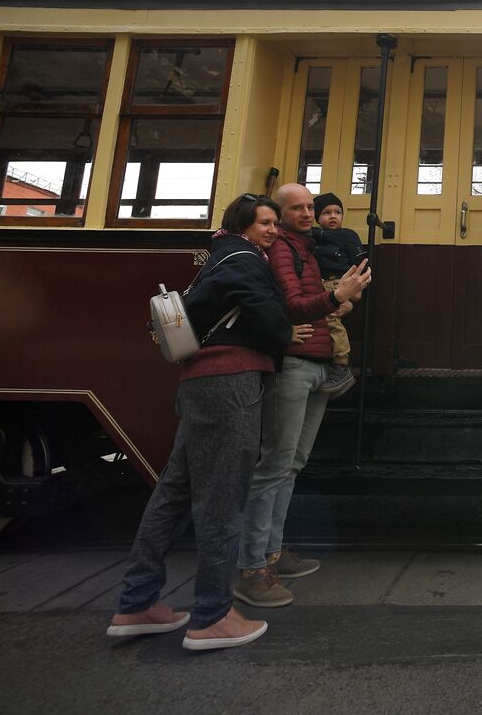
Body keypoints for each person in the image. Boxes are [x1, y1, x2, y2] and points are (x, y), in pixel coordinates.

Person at [108, 193, 310, 651]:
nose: (274, 230)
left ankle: (135, 603)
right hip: (231, 384)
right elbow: (271, 322)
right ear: (242, 225)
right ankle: (212, 615)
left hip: (199, 383)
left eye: (275, 223)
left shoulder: (217, 259)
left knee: (173, 494)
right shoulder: (244, 260)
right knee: (222, 498)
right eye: (265, 222)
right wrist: (290, 324)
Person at [234, 182, 371, 608]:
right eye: (297, 208)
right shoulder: (282, 249)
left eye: (311, 207)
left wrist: (335, 302)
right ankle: (252, 567)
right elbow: (292, 305)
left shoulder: (305, 248)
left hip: (314, 364)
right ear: (279, 211)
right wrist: (336, 297)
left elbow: (307, 302)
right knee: (276, 464)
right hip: (294, 364)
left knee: (291, 463)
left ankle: (272, 554)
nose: (308, 214)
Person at [311, 191, 366, 398]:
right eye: (326, 212)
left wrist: (355, 292)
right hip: (320, 283)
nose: (333, 216)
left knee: (331, 319)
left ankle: (341, 363)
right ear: (317, 217)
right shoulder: (313, 238)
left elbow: (361, 264)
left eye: (337, 212)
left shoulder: (347, 235)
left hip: (339, 281)